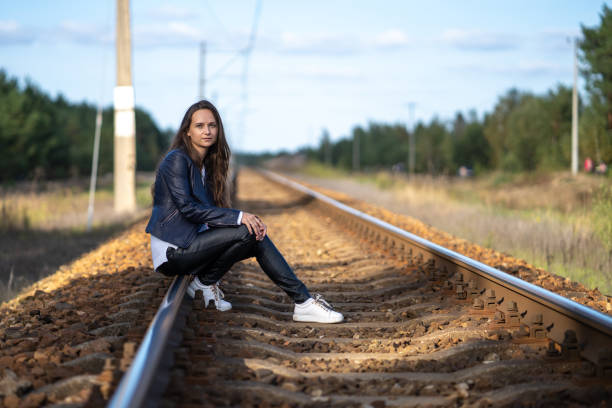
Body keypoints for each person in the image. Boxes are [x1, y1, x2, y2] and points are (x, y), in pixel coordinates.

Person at [145, 100, 343, 324]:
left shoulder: (205, 166)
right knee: (247, 229)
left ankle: (203, 285)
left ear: (218, 129)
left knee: (254, 236)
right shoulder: (177, 160)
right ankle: (303, 302)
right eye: (199, 126)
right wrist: (240, 217)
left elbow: (210, 213)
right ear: (187, 132)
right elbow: (189, 209)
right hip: (174, 250)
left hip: (191, 244)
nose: (207, 131)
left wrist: (243, 221)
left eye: (212, 125)